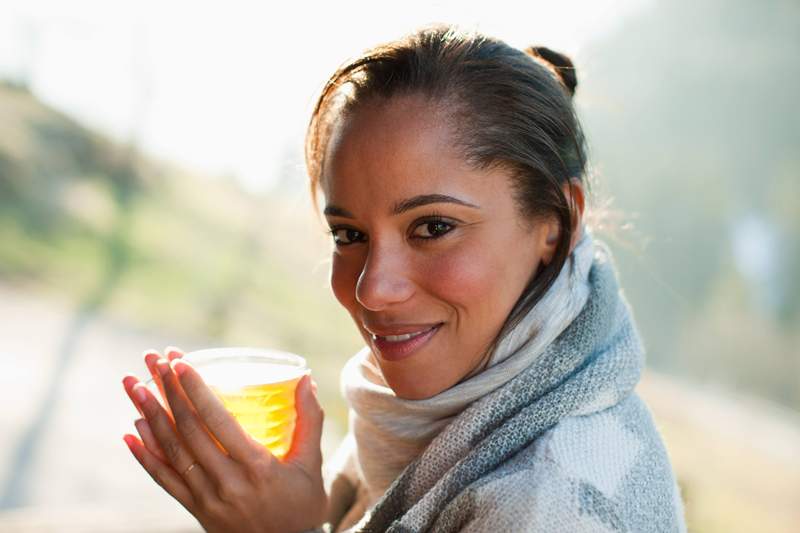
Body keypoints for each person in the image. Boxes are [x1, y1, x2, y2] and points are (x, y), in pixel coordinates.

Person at [121, 24, 687, 532]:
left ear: (555, 225)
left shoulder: (549, 504)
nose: (371, 289)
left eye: (433, 227)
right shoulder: (424, 422)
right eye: (348, 235)